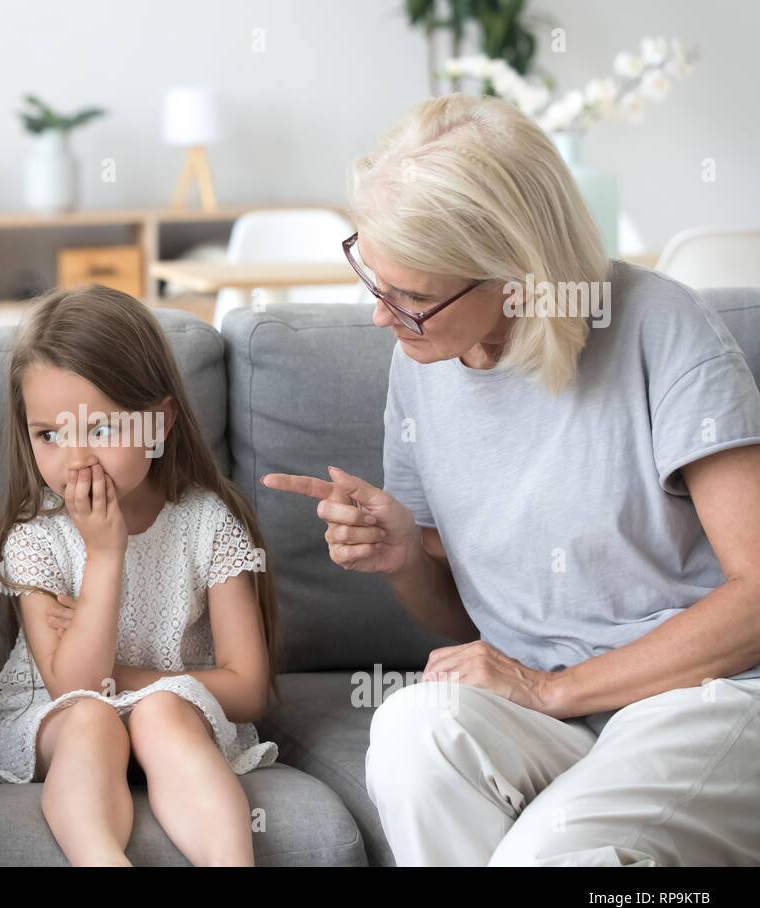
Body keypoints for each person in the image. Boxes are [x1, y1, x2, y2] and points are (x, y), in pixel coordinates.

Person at [264, 93, 760, 866]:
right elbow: (466, 619)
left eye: (414, 298)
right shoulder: (420, 362)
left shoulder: (662, 328)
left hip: (697, 699)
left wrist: (553, 689)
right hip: (547, 710)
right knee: (409, 730)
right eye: (374, 275)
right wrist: (406, 558)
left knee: (542, 859)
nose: (382, 317)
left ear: (521, 276)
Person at [0, 285, 281, 866]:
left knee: (164, 707)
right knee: (92, 718)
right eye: (50, 435)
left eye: (100, 429)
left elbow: (247, 690)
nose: (74, 459)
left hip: (178, 718)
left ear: (158, 423)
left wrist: (132, 678)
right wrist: (105, 555)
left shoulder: (206, 524)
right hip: (58, 717)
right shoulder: (36, 537)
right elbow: (74, 687)